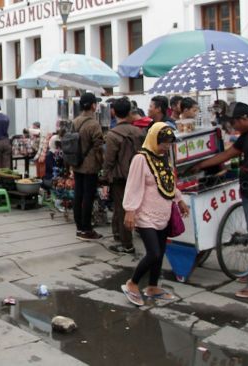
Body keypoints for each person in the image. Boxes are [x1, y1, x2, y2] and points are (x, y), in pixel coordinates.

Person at [191, 102, 248, 298]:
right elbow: (227, 154)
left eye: (234, 124)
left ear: (243, 119)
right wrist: (200, 165)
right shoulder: (246, 137)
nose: (233, 128)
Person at [120, 123, 190, 306]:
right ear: (153, 139)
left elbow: (169, 183)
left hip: (164, 213)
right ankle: (132, 283)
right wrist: (130, 210)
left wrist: (180, 199)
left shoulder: (163, 157)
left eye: (169, 143)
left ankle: (152, 287)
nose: (166, 146)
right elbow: (133, 186)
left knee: (160, 253)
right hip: (146, 215)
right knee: (153, 253)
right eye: (163, 143)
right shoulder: (141, 159)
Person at [104, 98, 143, 254]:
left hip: (120, 177)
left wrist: (105, 176)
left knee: (122, 209)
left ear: (114, 112)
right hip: (137, 175)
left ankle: (127, 244)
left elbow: (109, 160)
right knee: (132, 207)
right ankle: (119, 235)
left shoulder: (112, 135)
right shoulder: (139, 132)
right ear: (129, 112)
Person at [72, 93, 105, 240]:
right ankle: (87, 229)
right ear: (93, 105)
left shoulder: (75, 121)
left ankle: (79, 227)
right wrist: (102, 163)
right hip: (90, 166)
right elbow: (99, 147)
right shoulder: (94, 124)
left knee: (78, 195)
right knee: (88, 196)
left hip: (77, 164)